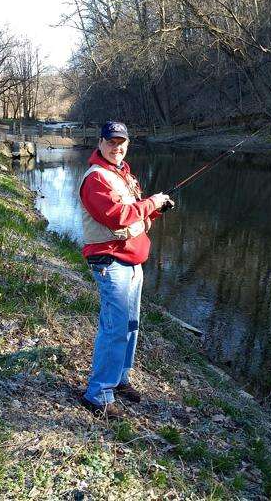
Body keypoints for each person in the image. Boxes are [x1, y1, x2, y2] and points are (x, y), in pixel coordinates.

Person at [78, 121, 171, 419]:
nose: (117, 148)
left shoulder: (123, 174)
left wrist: (155, 208)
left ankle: (120, 380)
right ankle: (97, 395)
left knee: (131, 326)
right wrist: (150, 203)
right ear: (101, 142)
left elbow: (135, 214)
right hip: (110, 263)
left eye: (122, 143)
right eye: (112, 142)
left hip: (133, 262)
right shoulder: (96, 178)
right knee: (114, 328)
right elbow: (117, 216)